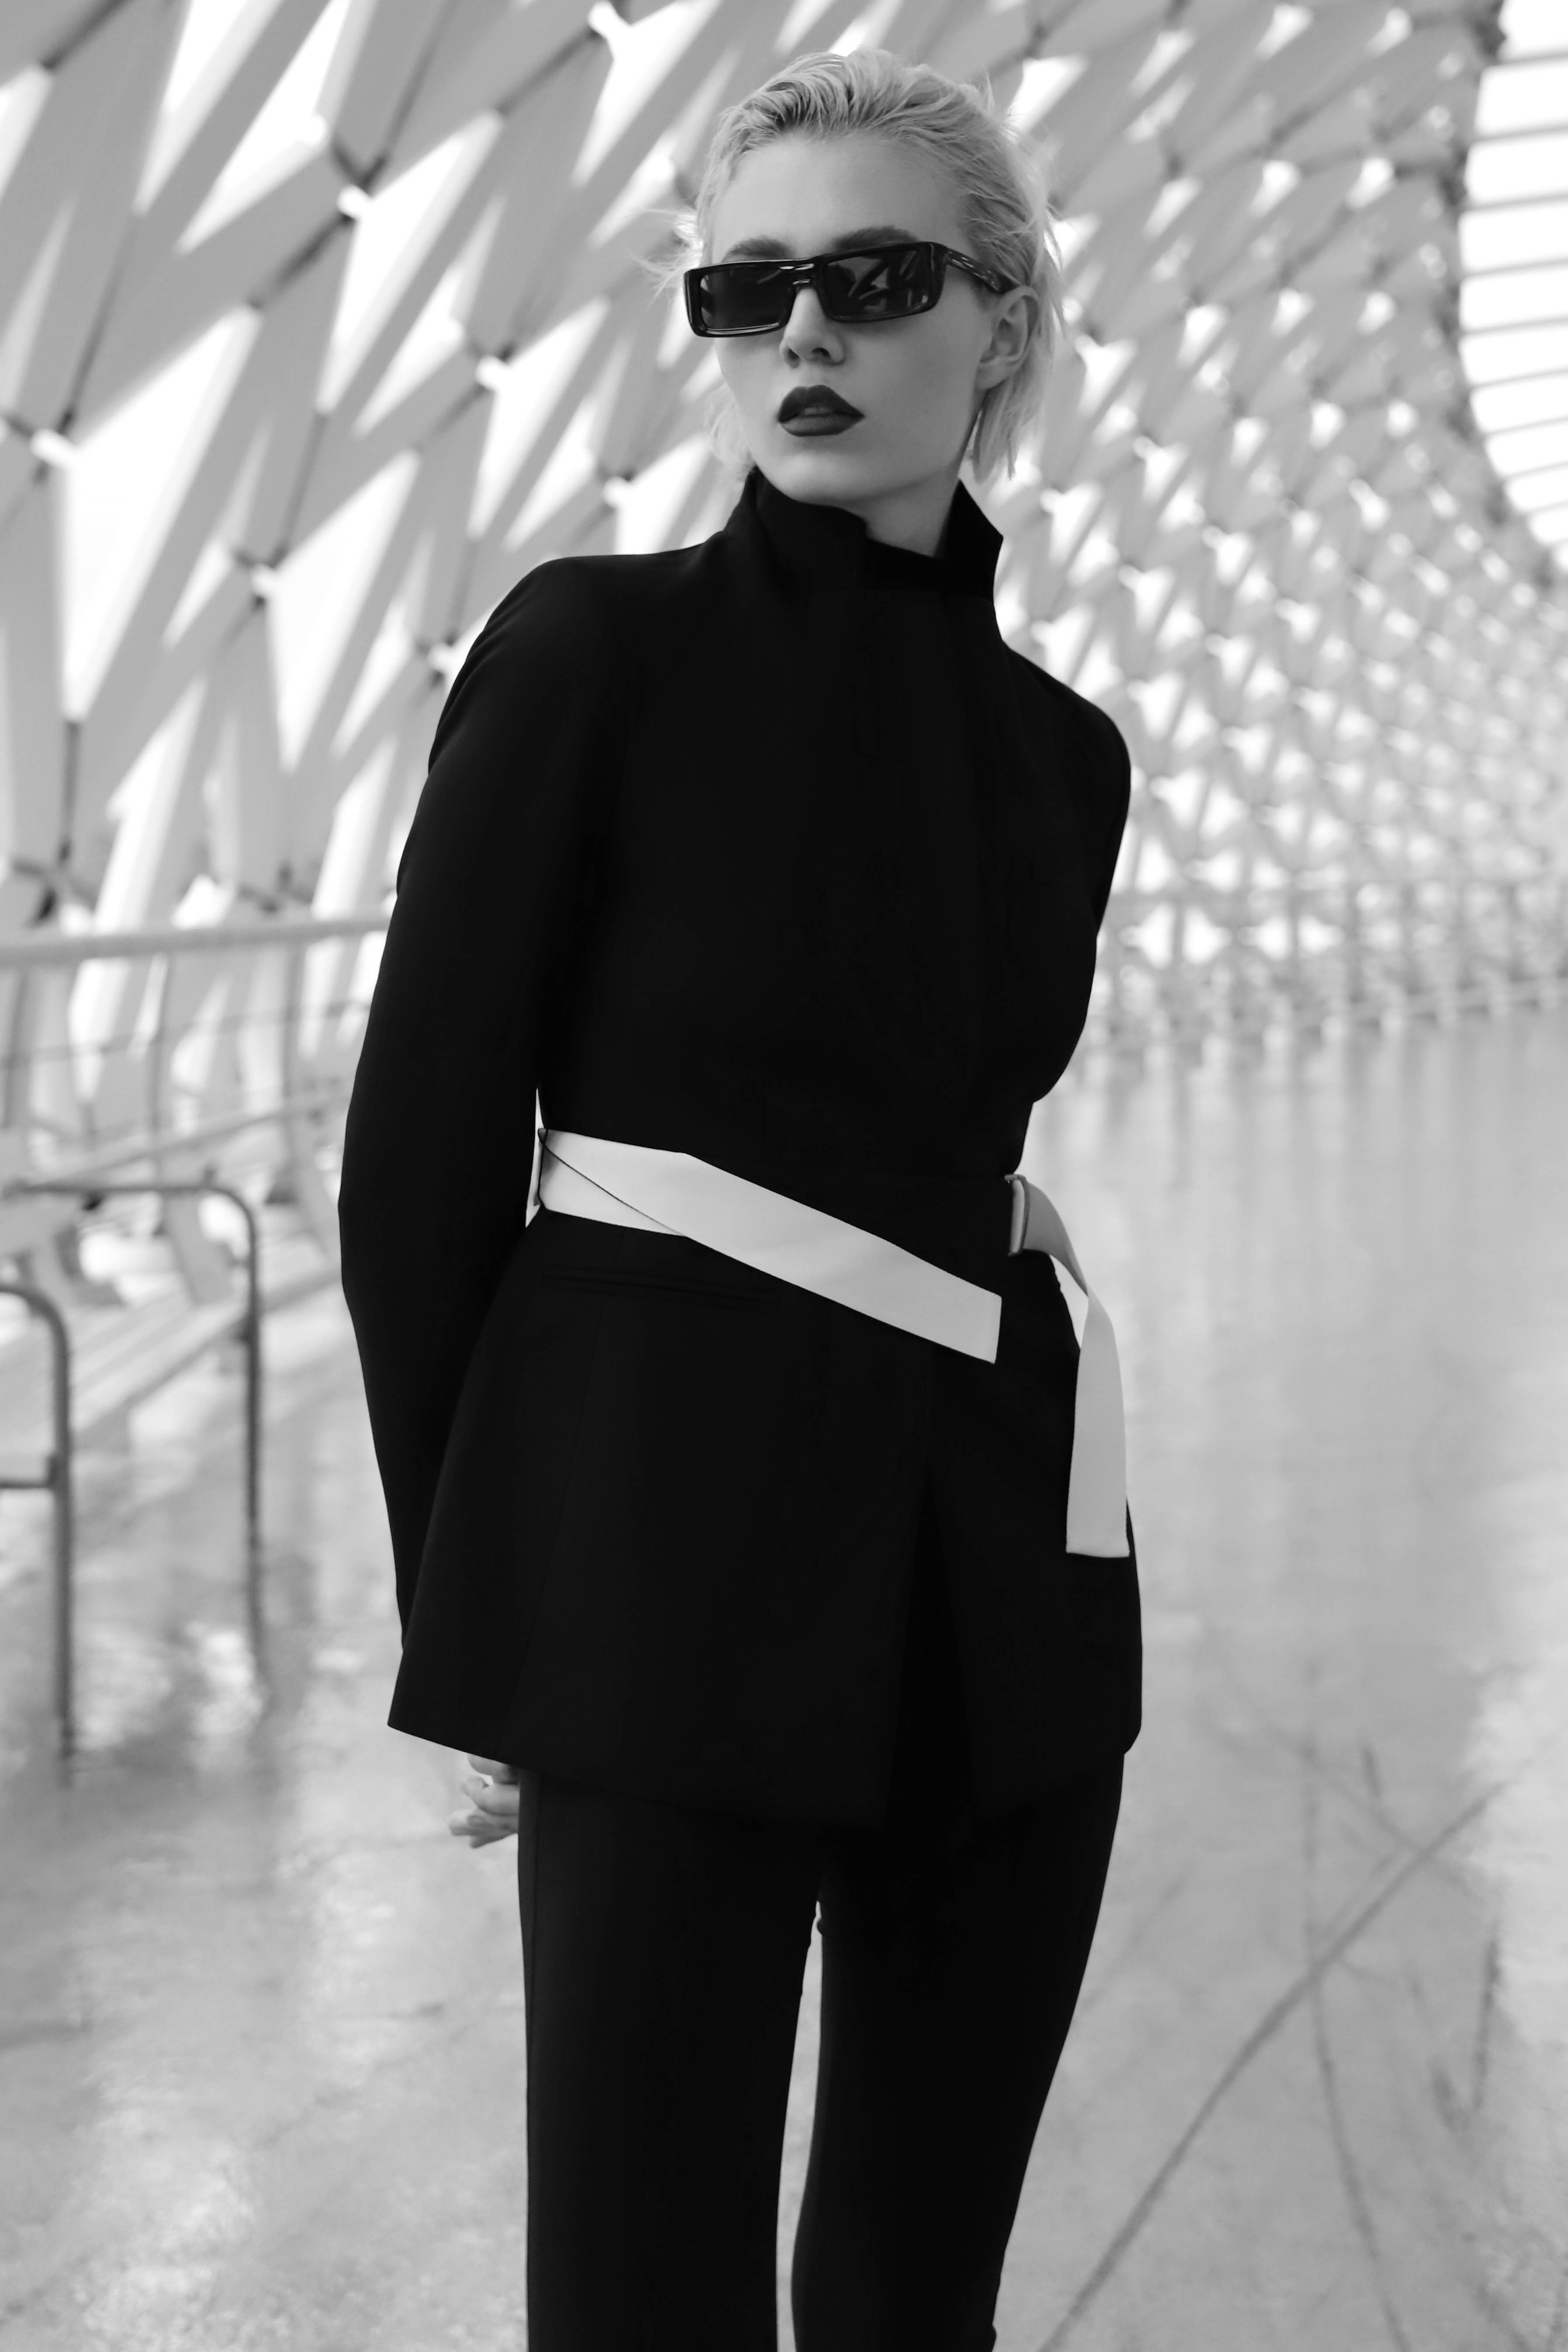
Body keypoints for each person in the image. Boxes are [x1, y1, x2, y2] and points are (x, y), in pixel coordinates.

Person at [338, 44, 1141, 2352]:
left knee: (916, 2285)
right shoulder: (593, 651)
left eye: (873, 280)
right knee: (642, 2294)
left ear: (1001, 320)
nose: (801, 332)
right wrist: (472, 1609)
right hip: (651, 1567)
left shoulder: (1067, 758)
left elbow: (940, 1114)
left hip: (1006, 1568)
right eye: (744, 287)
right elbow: (416, 1160)